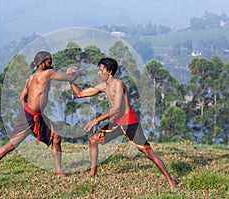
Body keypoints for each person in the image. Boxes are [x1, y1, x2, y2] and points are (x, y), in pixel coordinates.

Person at [67, 58, 177, 188]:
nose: (98, 73)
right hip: (116, 122)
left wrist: (96, 120)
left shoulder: (119, 84)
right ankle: (93, 173)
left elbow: (116, 108)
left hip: (129, 122)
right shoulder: (103, 87)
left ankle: (171, 181)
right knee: (93, 140)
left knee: (148, 153)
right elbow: (79, 94)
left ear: (109, 71)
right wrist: (71, 80)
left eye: (101, 70)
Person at [0, 51, 81, 177]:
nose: (52, 65)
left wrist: (30, 113)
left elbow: (21, 98)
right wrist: (77, 72)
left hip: (33, 115)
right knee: (12, 145)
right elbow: (71, 78)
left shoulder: (30, 78)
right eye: (49, 62)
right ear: (41, 63)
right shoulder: (47, 73)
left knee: (56, 137)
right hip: (30, 116)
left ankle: (58, 172)